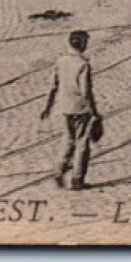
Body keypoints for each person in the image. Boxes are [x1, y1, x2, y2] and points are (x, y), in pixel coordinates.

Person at [41, 29, 100, 190]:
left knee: (68, 140)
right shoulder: (83, 64)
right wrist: (94, 112)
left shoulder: (61, 61)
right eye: (86, 42)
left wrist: (48, 106)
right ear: (82, 44)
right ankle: (77, 179)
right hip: (80, 109)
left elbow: (53, 86)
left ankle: (59, 170)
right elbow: (86, 92)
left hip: (65, 107)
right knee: (82, 144)